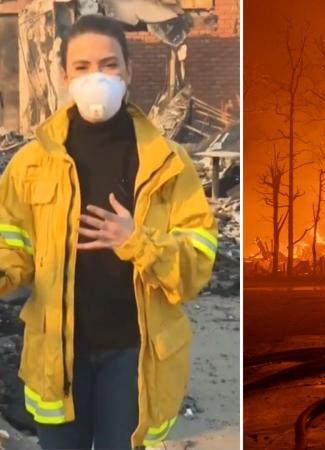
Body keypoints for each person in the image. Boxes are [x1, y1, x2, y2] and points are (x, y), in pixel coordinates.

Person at [0, 15, 217, 449]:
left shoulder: (169, 164)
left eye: (109, 64)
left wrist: (135, 240)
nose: (96, 77)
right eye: (82, 67)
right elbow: (12, 248)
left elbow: (196, 266)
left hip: (135, 355)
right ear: (65, 76)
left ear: (129, 71)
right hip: (58, 357)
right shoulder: (30, 164)